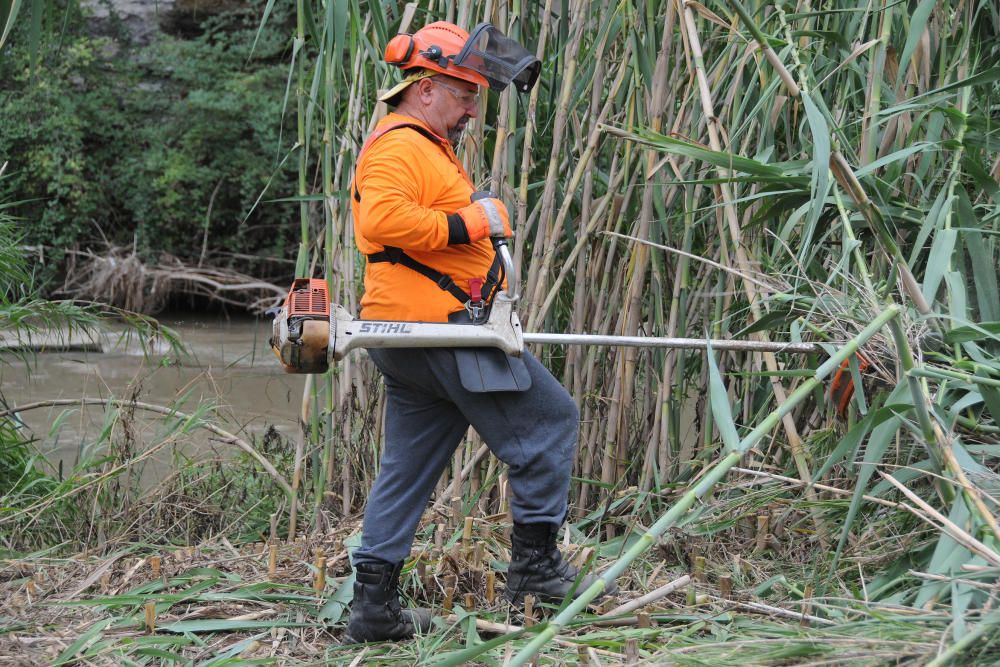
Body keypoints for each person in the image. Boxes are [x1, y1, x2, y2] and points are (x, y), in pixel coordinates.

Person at [344, 20, 617, 644]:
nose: (473, 109)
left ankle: (373, 605)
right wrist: (472, 223)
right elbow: (382, 219)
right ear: (426, 87)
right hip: (441, 331)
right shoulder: (402, 144)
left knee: (407, 467)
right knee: (550, 421)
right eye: (465, 94)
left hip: (413, 335)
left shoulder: (422, 143)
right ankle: (535, 569)